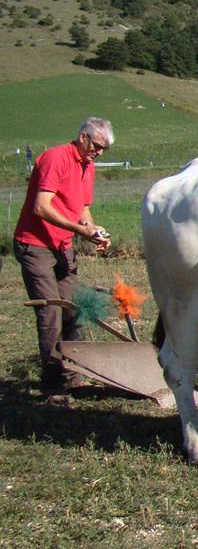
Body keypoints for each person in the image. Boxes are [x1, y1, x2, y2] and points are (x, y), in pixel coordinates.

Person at [13, 117, 114, 396]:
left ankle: (72, 374)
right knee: (51, 311)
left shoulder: (88, 166)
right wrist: (78, 231)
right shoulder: (55, 158)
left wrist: (93, 230)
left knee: (72, 309)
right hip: (35, 245)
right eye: (97, 146)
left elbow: (81, 207)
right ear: (83, 137)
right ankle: (53, 381)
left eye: (105, 149)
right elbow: (41, 207)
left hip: (62, 247)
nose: (100, 152)